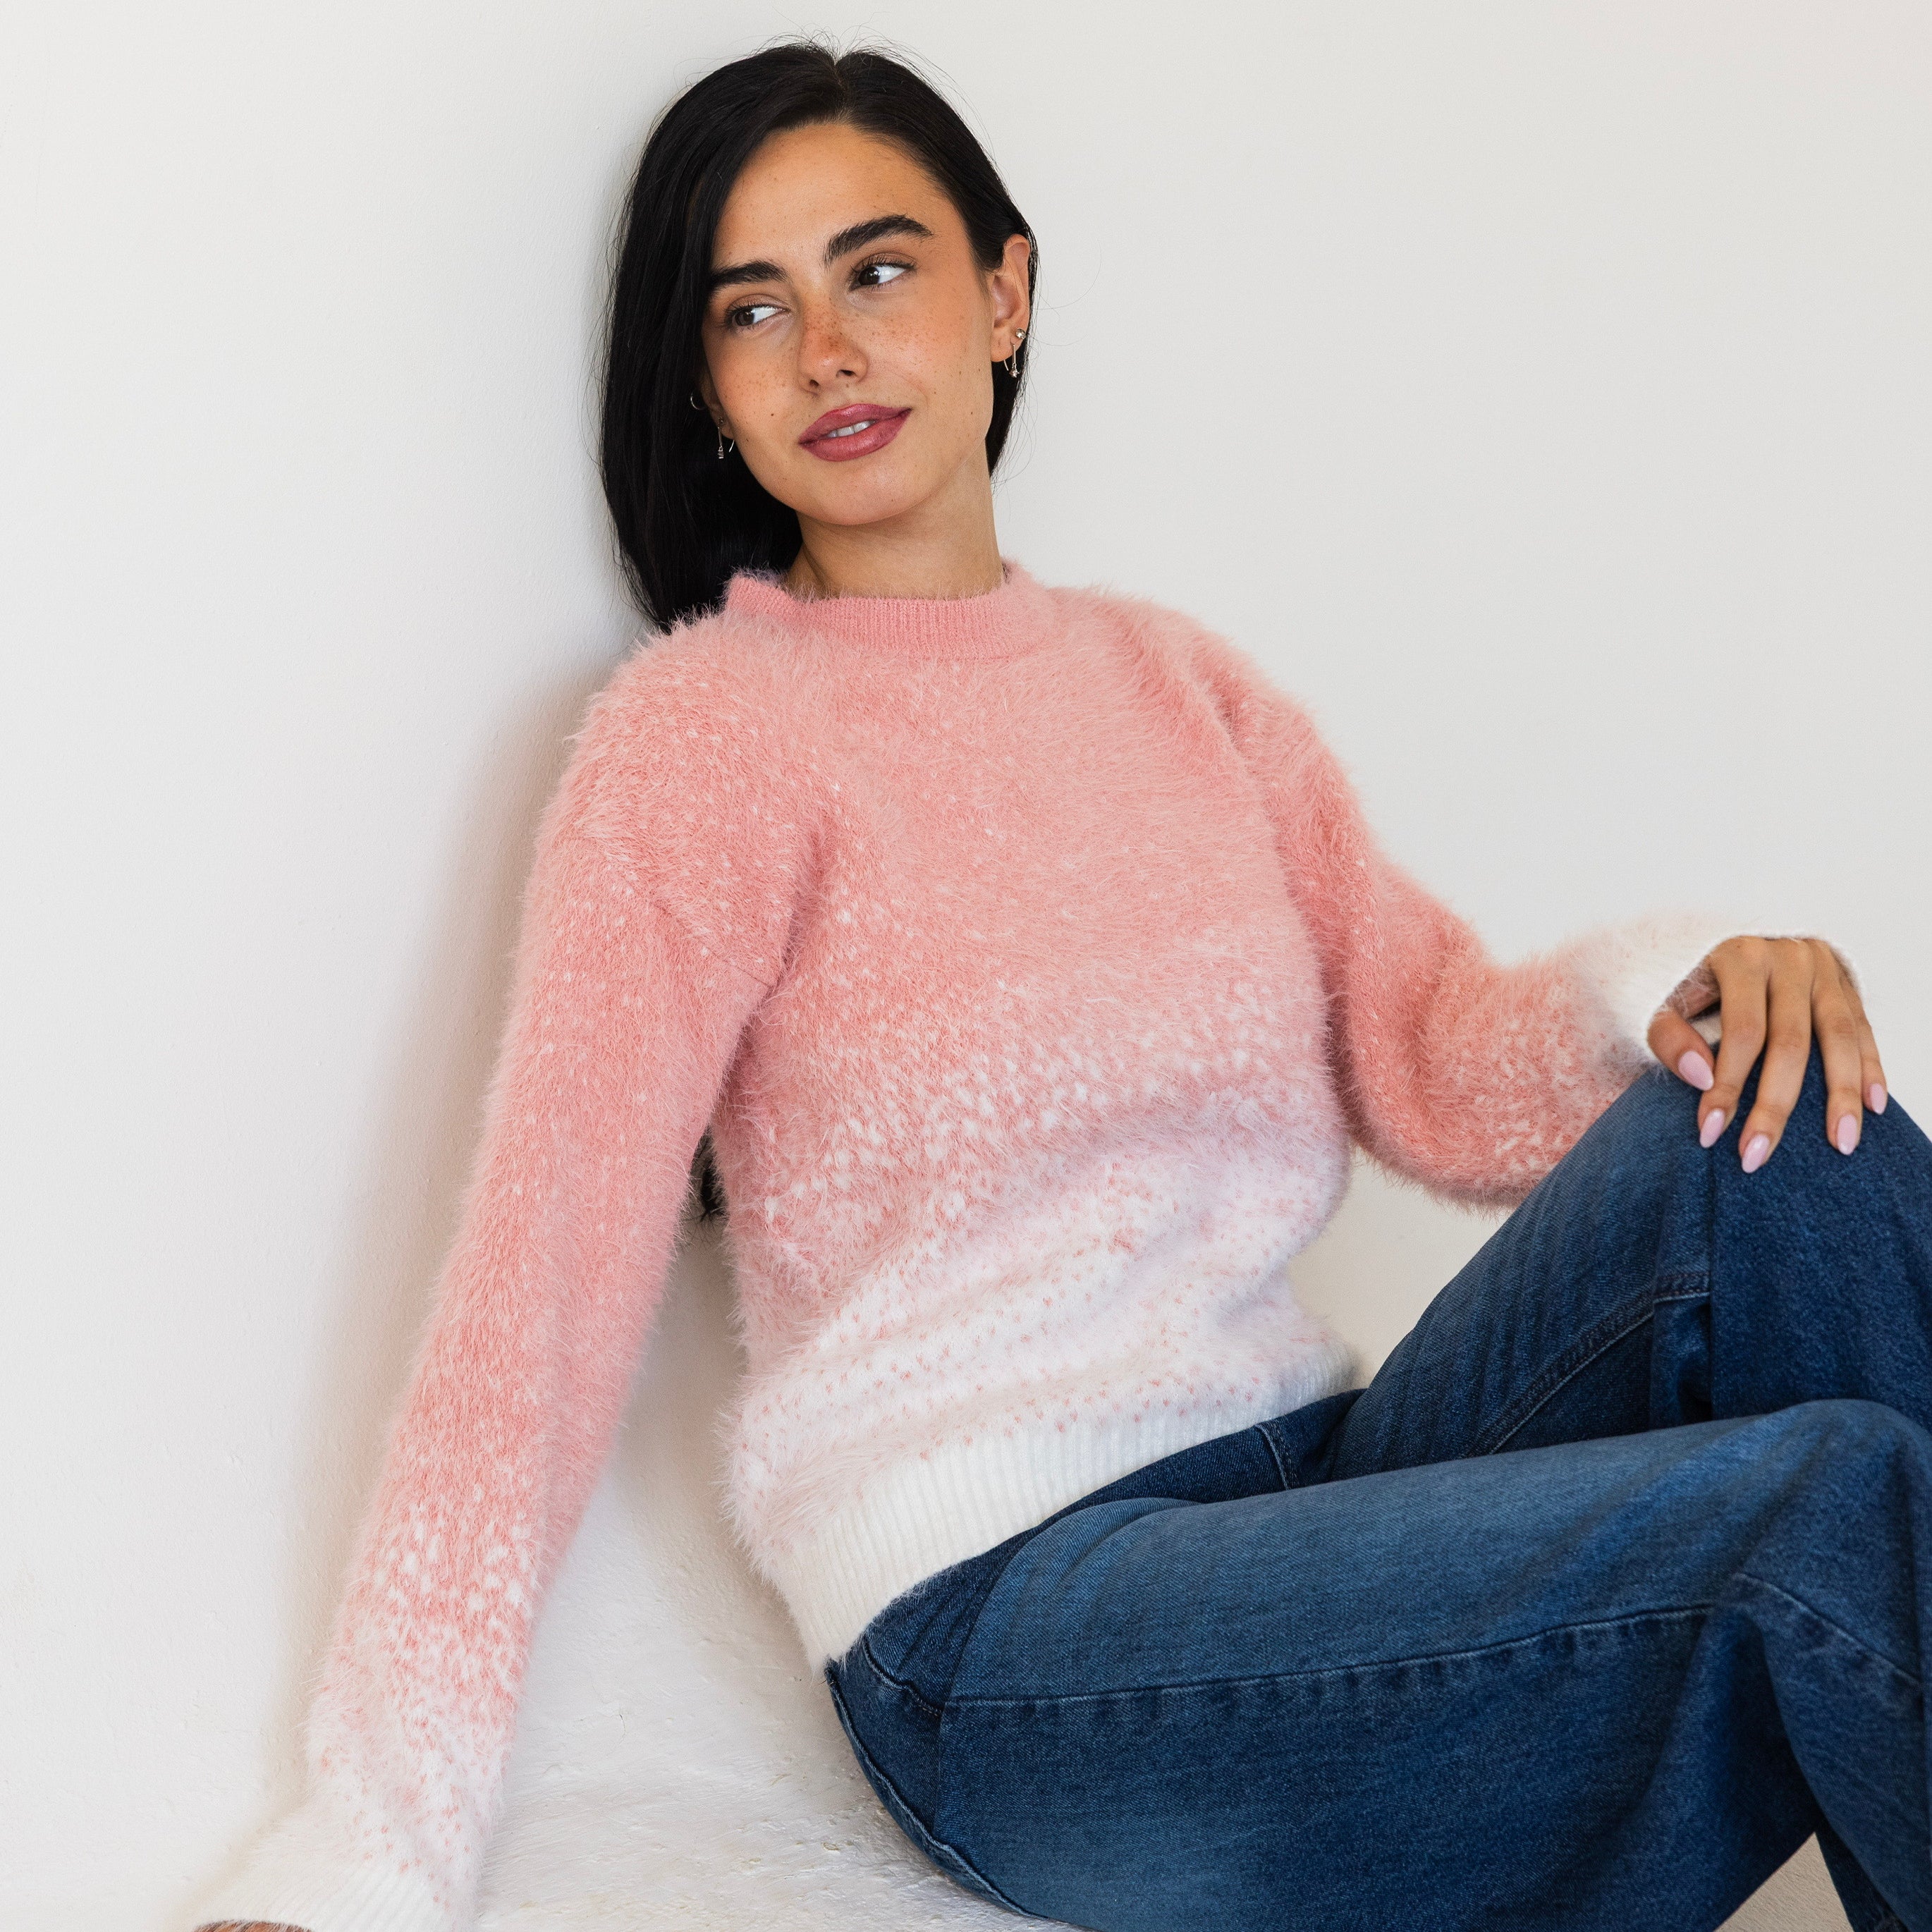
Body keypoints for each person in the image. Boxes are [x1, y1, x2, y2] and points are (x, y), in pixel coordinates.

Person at [185, 37, 1930, 1932]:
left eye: (877, 270)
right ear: (706, 385)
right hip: (1013, 1629)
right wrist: (378, 1836)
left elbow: (1433, 1059)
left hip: (1309, 1496)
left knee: (1783, 1140)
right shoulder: (703, 740)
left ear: (1002, 295)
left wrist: (1678, 988)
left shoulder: (1175, 686)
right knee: (1832, 1508)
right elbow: (537, 1287)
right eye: (753, 310)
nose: (828, 350)